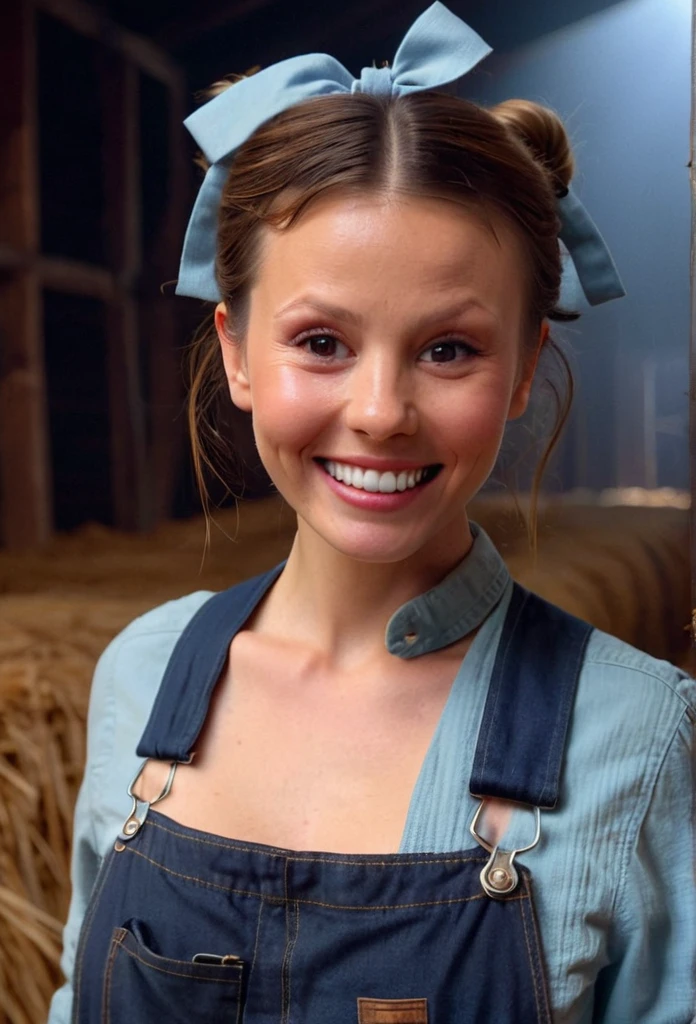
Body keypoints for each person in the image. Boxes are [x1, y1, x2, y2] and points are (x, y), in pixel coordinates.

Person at [49, 4, 695, 1022]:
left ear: (524, 367)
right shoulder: (142, 674)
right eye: (320, 342)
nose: (382, 413)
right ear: (235, 351)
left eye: (449, 349)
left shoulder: (637, 732)